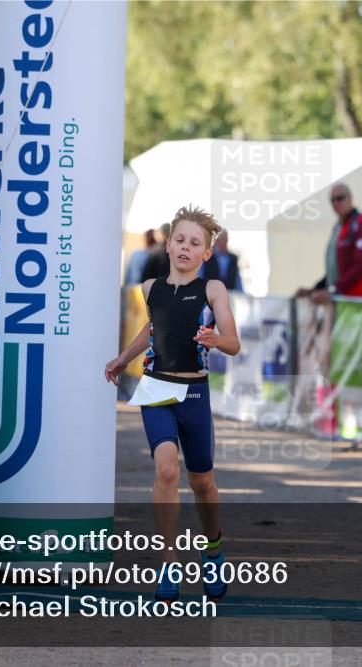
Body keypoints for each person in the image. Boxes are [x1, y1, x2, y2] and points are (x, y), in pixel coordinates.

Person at [104, 206, 241, 604]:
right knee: (166, 469)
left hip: (195, 393)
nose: (185, 247)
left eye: (195, 243)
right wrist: (123, 357)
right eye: (180, 240)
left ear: (206, 253)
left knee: (202, 481)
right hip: (158, 389)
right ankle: (169, 561)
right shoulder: (150, 288)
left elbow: (233, 342)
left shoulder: (213, 290)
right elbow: (153, 328)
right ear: (168, 245)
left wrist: (218, 341)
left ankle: (213, 548)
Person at [296, 183, 362, 302]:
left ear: (350, 198)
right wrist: (315, 289)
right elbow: (336, 270)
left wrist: (334, 290)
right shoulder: (338, 228)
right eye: (332, 200)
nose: (336, 203)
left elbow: (361, 264)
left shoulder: (361, 223)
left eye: (340, 198)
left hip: (357, 301)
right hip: (339, 300)